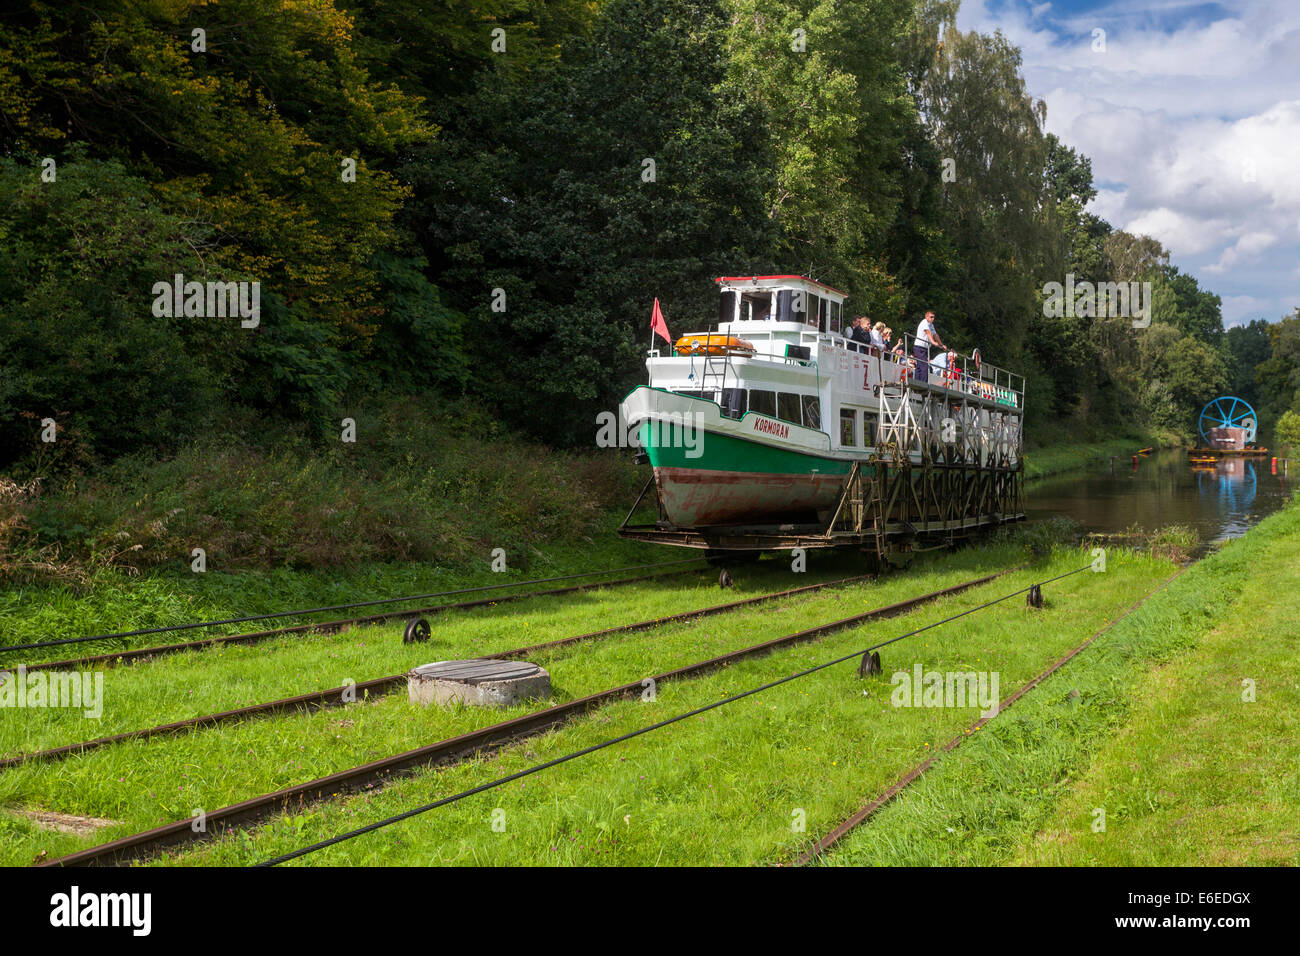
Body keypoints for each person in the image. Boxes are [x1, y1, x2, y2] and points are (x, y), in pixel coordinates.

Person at [913, 310, 946, 383]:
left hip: (925, 348)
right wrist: (933, 342)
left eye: (933, 317)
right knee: (924, 366)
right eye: (931, 317)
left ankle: (917, 382)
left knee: (919, 366)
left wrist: (941, 344)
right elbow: (928, 332)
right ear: (926, 317)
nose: (932, 319)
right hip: (919, 347)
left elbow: (935, 335)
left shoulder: (931, 325)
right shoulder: (924, 322)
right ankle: (923, 384)